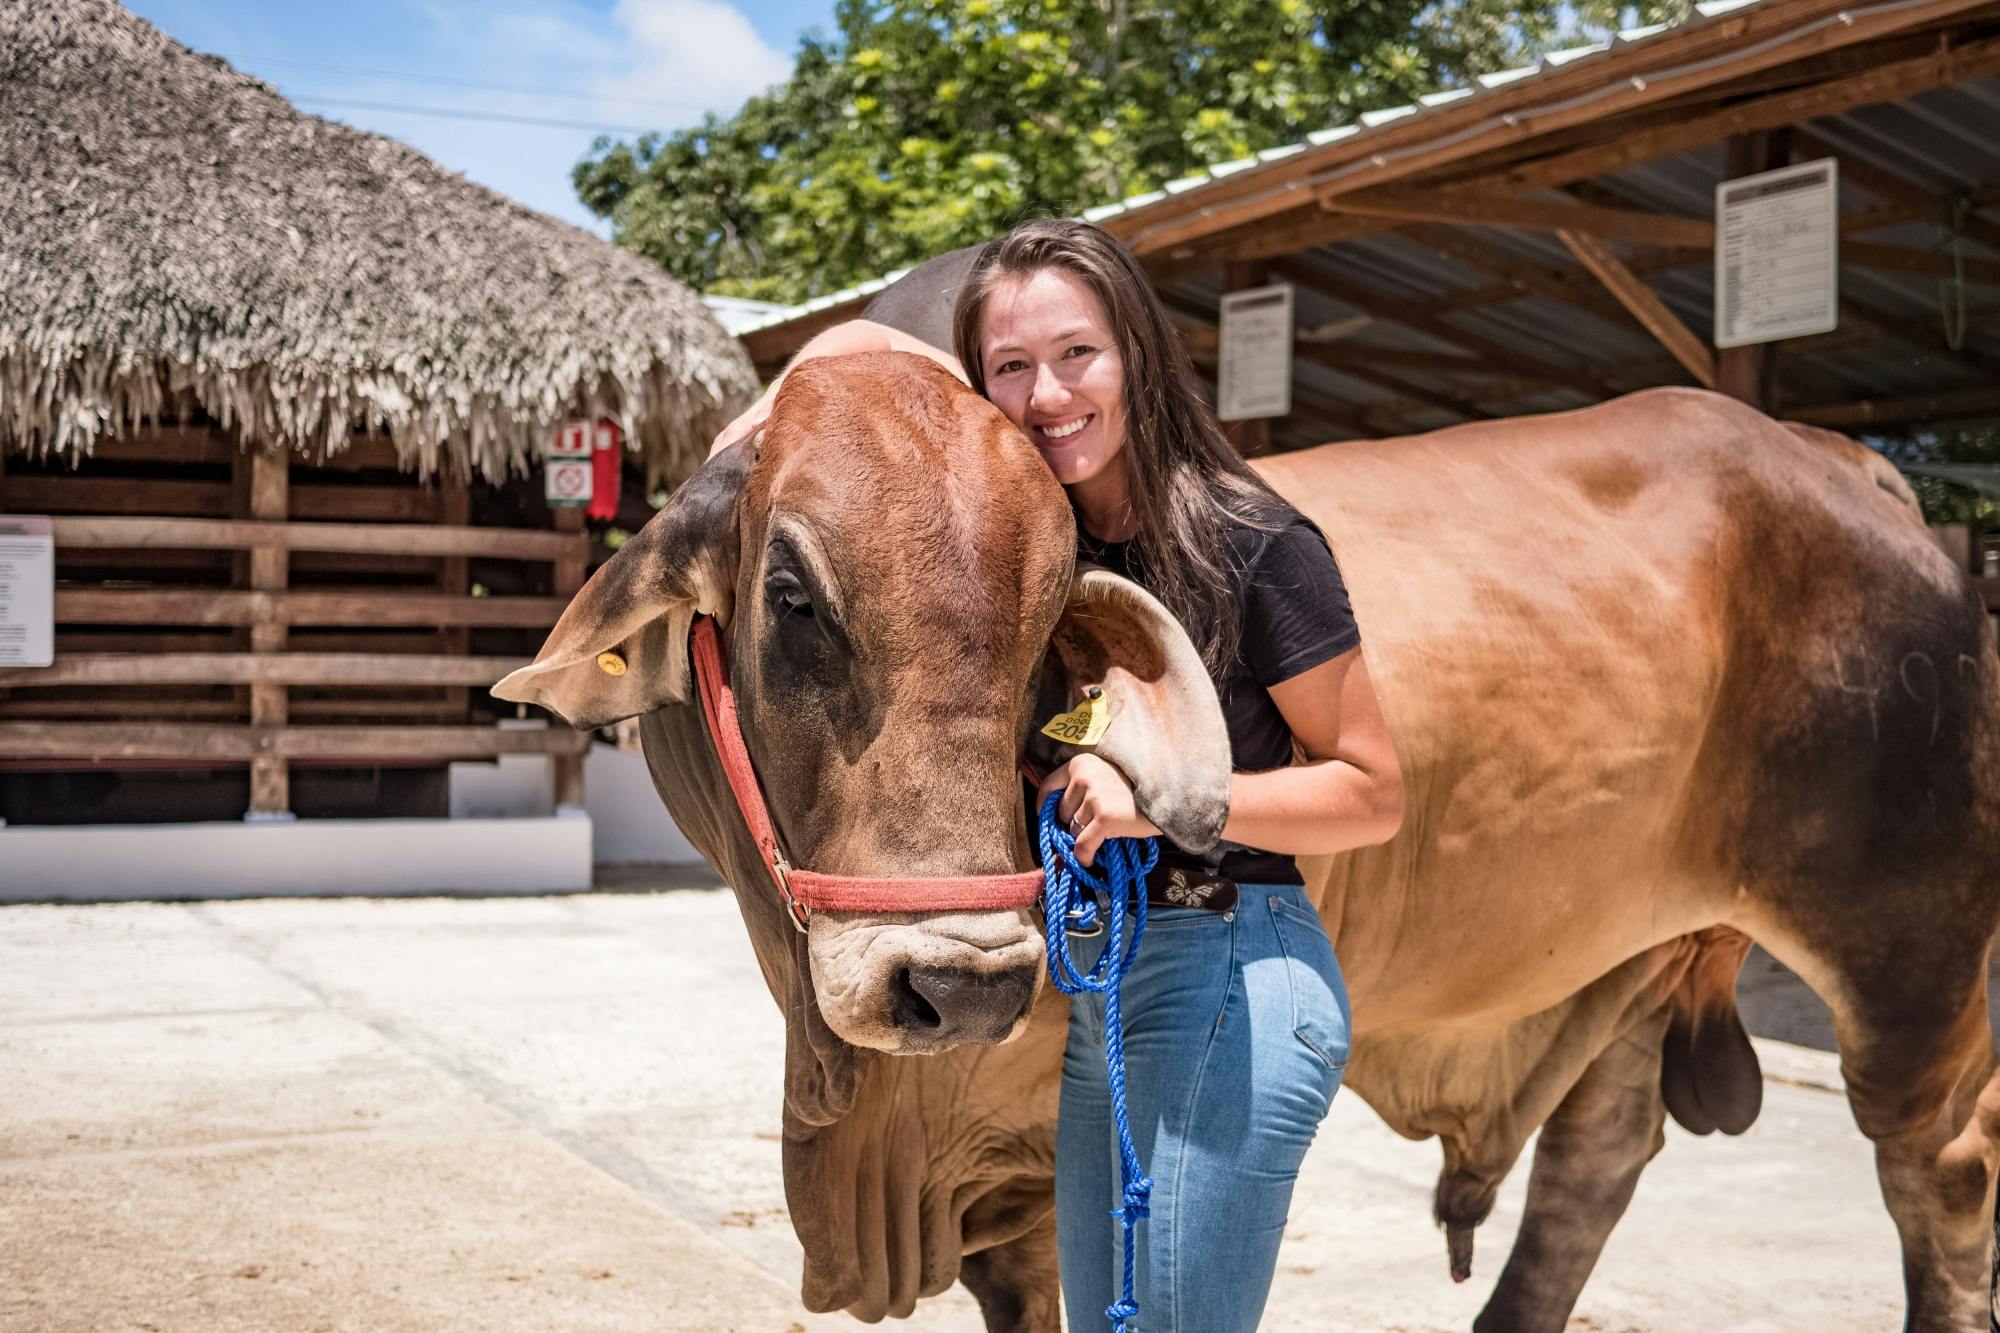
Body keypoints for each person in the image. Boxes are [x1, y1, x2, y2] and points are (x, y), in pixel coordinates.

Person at [711, 218, 1404, 1331]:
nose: (1048, 394)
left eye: (1078, 353)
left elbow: (1373, 791)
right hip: (1118, 1002)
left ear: (1136, 351)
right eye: (1011, 368)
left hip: (1232, 972)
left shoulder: (1254, 543)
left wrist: (1164, 804)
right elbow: (867, 357)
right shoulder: (1041, 548)